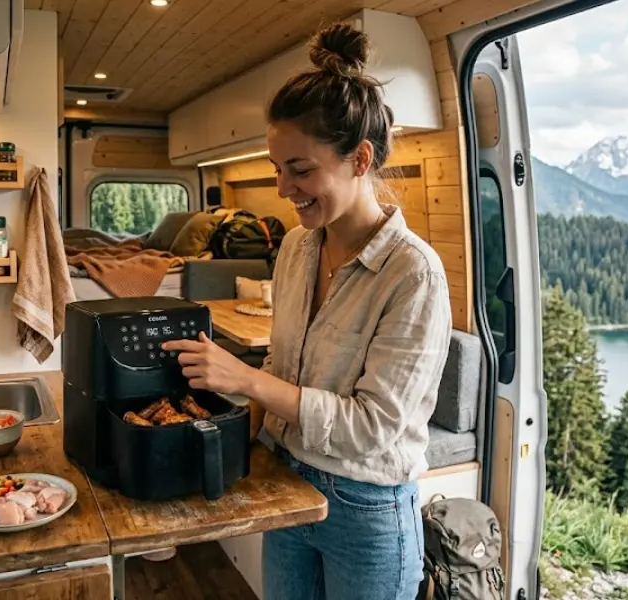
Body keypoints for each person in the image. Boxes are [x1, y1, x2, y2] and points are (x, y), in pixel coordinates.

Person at [160, 20, 453, 600]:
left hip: (366, 512)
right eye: (278, 168)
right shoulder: (296, 246)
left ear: (360, 159)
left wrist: (244, 379)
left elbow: (371, 428)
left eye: (300, 169)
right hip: (286, 481)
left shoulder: (413, 273)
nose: (283, 187)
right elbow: (283, 363)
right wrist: (228, 438)